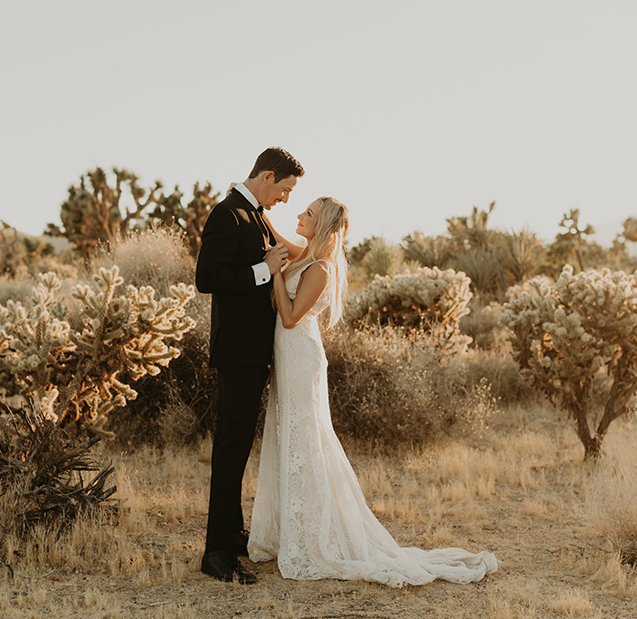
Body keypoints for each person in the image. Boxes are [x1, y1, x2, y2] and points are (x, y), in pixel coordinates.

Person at [248, 197, 499, 587]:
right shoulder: (306, 254)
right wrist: (257, 212)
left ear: (325, 226)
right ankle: (293, 529)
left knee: (306, 441)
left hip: (300, 357)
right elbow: (277, 242)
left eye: (308, 214)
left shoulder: (320, 269)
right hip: (288, 357)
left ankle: (315, 536)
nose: (299, 215)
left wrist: (276, 273)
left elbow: (291, 316)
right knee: (291, 438)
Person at [195, 147, 305, 584]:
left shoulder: (253, 213)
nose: (286, 198)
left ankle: (232, 534)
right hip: (238, 353)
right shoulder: (228, 213)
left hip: (253, 353)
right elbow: (208, 278)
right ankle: (216, 553)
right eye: (286, 189)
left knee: (239, 448)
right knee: (230, 449)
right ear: (267, 175)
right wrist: (263, 270)